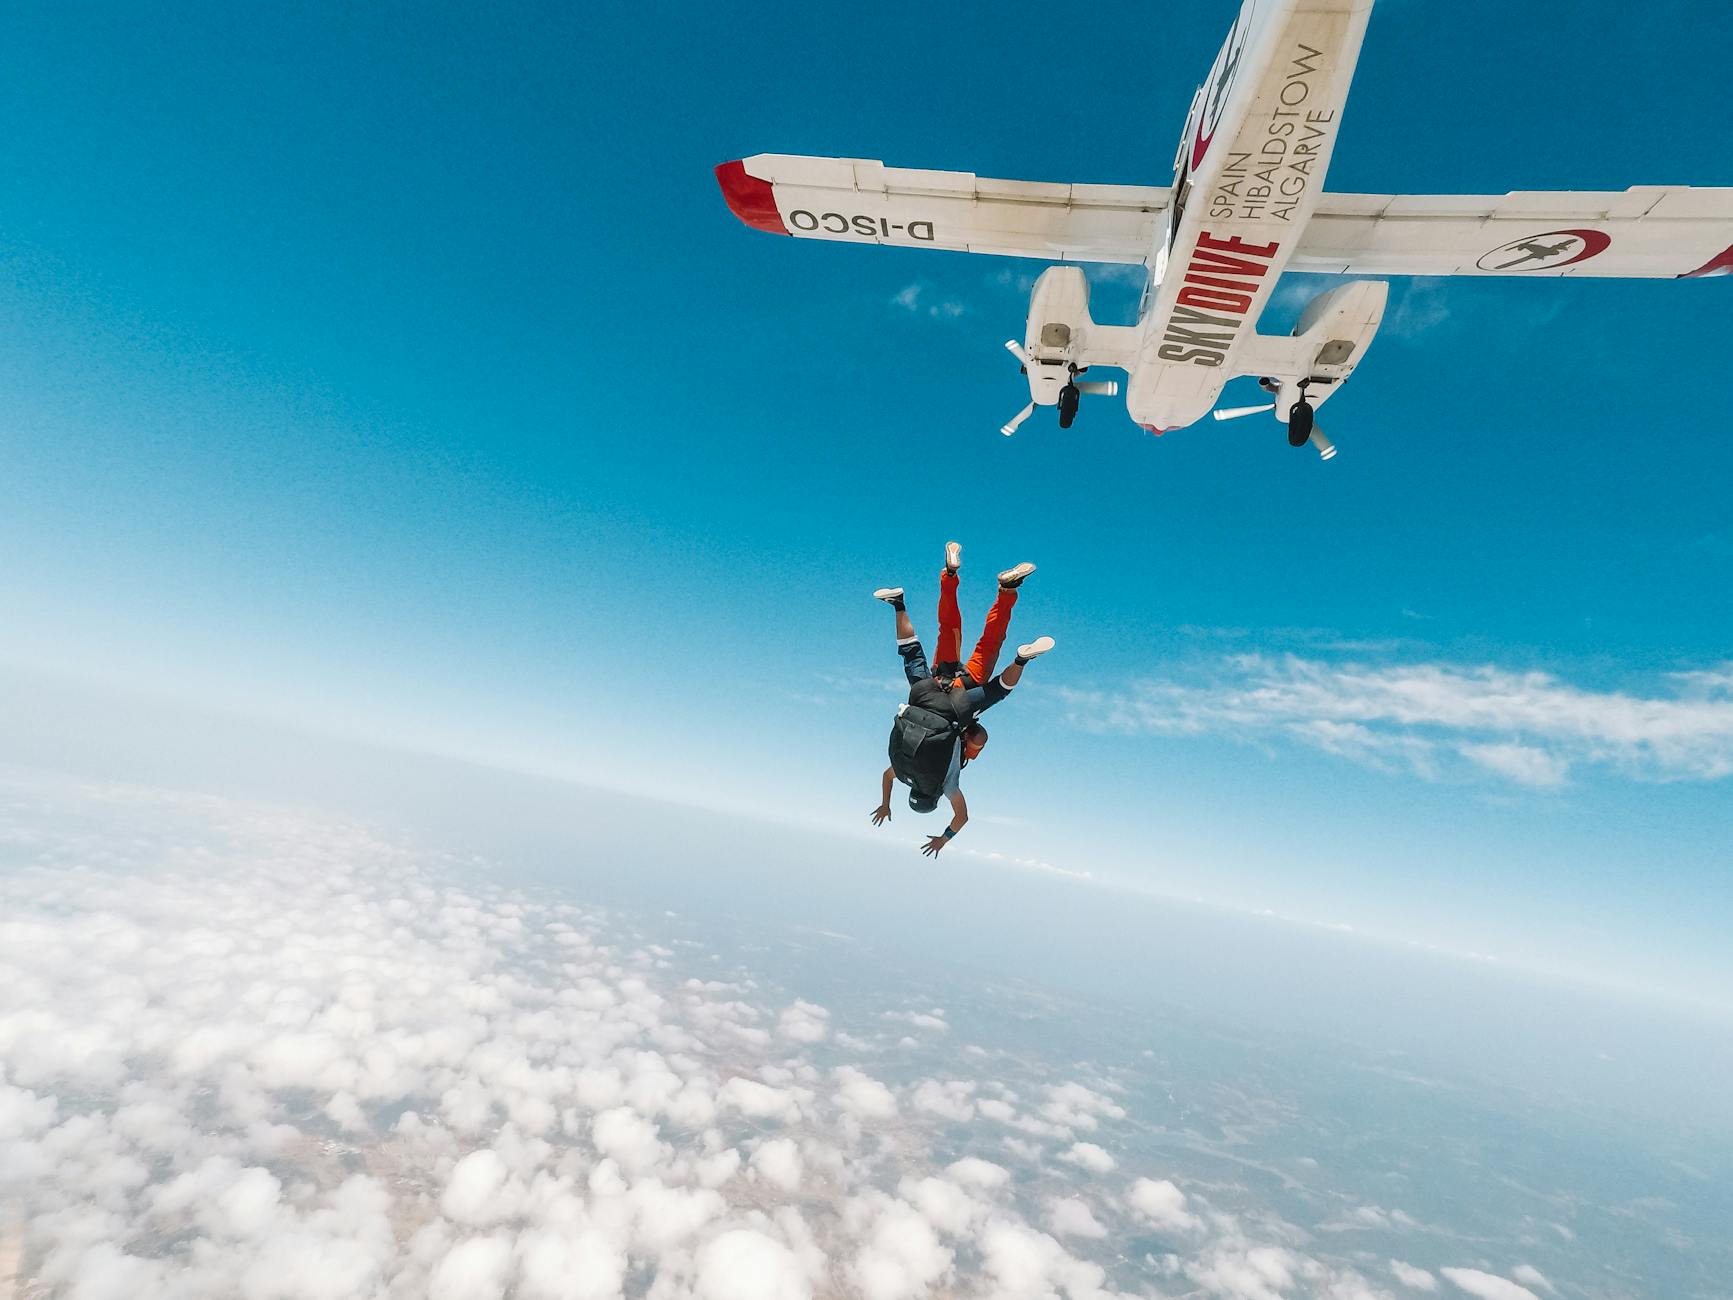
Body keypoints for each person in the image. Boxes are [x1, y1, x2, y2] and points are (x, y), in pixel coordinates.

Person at [869, 542, 1054, 856]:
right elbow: (885, 777)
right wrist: (885, 804)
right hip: (929, 687)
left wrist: (944, 838)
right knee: (937, 635)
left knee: (995, 671)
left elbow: (963, 817)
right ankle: (916, 593)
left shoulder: (947, 787)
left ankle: (1018, 643)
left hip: (962, 699)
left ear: (933, 799)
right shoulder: (900, 772)